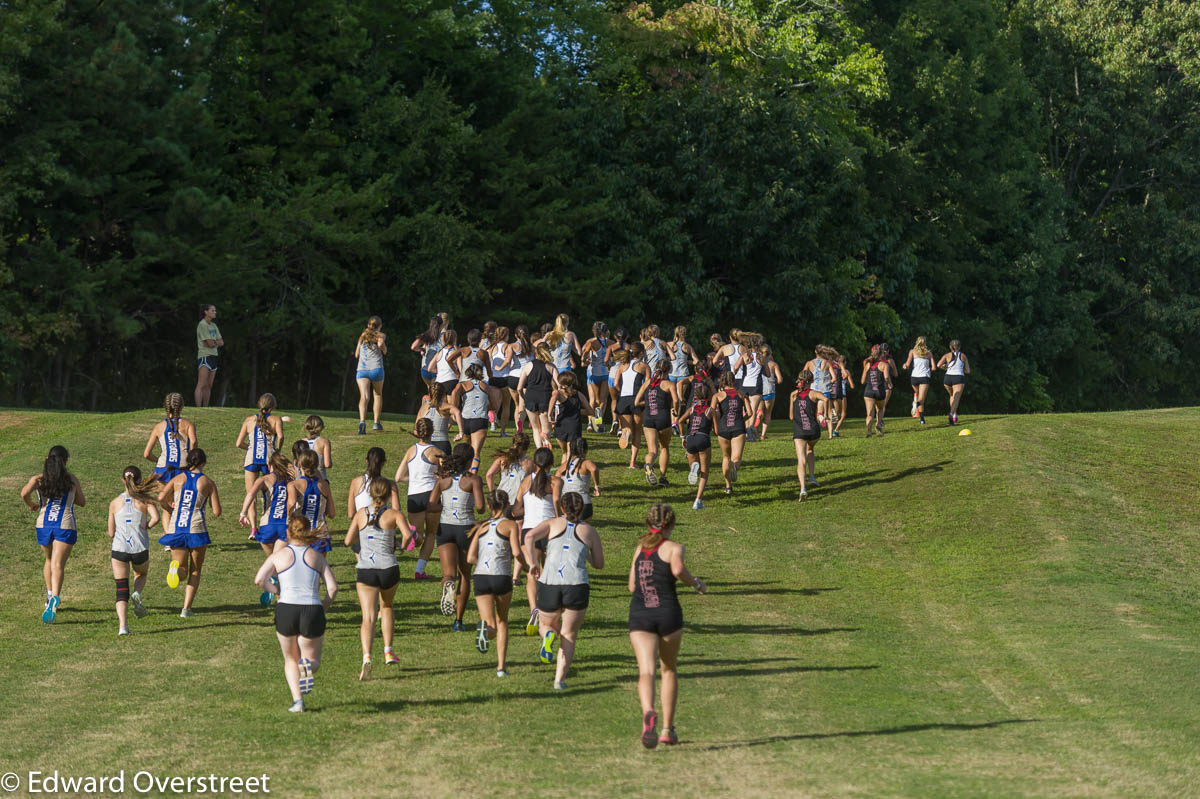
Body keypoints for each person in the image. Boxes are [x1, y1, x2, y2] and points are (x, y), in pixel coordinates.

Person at [628, 503, 706, 748]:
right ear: (671, 525)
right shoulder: (674, 548)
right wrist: (696, 583)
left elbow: (632, 586)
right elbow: (678, 569)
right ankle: (667, 729)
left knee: (646, 672)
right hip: (668, 613)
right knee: (669, 669)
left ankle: (648, 711)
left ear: (647, 524)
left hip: (641, 615)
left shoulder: (640, 548)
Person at [254, 514, 338, 713]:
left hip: (286, 608)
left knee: (290, 659)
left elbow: (259, 580)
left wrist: (277, 592)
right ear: (308, 531)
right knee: (311, 659)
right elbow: (333, 588)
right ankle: (308, 665)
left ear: (287, 533)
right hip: (312, 607)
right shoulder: (316, 556)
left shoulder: (279, 556)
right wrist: (324, 605)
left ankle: (298, 702)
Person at [523, 493, 604, 691]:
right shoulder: (590, 531)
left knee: (545, 624)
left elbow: (529, 535)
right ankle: (559, 680)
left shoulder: (552, 523)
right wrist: (584, 554)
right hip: (576, 585)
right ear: (582, 509)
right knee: (569, 634)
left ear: (562, 508)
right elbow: (600, 564)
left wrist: (533, 563)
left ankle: (548, 636)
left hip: (550, 582)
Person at [345, 478, 412, 679]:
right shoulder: (394, 514)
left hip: (366, 570)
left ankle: (367, 657)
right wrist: (399, 546)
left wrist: (363, 542)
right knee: (387, 607)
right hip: (389, 568)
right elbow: (409, 536)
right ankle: (388, 650)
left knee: (368, 617)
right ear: (389, 494)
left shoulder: (360, 513)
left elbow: (348, 540)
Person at [20, 445, 86, 623]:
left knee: (49, 561)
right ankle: (55, 597)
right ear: (65, 462)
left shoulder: (39, 479)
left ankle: (50, 596)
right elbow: (82, 502)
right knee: (58, 564)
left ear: (47, 459)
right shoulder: (71, 480)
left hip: (43, 525)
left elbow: (24, 493)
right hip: (64, 525)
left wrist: (32, 504)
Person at [466, 491, 526, 676]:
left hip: (481, 576)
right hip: (500, 576)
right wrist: (528, 565)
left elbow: (470, 558)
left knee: (489, 623)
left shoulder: (482, 527)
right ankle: (501, 667)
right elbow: (516, 552)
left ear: (490, 507)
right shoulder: (511, 525)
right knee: (502, 621)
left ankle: (485, 630)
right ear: (507, 505)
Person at [157, 448, 221, 617]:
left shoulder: (178, 478)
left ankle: (175, 570)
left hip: (176, 527)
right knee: (195, 570)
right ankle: (186, 609)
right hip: (196, 528)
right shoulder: (208, 482)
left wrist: (169, 507)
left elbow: (161, 498)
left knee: (182, 569)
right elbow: (217, 511)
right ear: (203, 463)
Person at [428, 443, 485, 630]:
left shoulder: (442, 479)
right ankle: (458, 621)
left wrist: (445, 508)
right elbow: (480, 507)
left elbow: (431, 505)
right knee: (465, 575)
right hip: (466, 529)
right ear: (469, 461)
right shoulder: (473, 480)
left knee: (449, 573)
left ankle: (448, 585)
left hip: (445, 528)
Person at [107, 466, 161, 635]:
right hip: (139, 548)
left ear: (123, 481)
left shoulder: (115, 503)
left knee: (121, 589)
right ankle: (137, 593)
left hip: (119, 550)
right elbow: (157, 518)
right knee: (141, 574)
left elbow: (111, 533)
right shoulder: (145, 501)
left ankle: (123, 627)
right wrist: (147, 526)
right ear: (139, 480)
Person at [512, 447, 560, 635]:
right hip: (549, 530)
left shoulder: (525, 482)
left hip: (528, 531)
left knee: (532, 573)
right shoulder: (555, 481)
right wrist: (559, 518)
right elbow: (556, 501)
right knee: (549, 572)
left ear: (535, 462)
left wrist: (527, 510)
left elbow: (516, 509)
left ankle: (534, 609)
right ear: (551, 463)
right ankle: (548, 610)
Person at [239, 452, 294, 604]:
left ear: (270, 466)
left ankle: (276, 591)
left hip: (267, 526)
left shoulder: (264, 479)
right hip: (285, 526)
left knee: (273, 562)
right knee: (280, 564)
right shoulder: (292, 481)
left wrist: (243, 513)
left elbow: (251, 494)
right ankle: (280, 597)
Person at [395, 420, 443, 580]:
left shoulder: (410, 451)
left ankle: (413, 535)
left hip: (414, 496)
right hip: (432, 495)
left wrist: (415, 477)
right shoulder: (438, 452)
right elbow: (444, 477)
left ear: (416, 432)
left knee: (419, 538)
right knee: (431, 534)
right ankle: (419, 571)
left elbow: (398, 477)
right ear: (432, 431)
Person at [235, 393, 284, 537]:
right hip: (269, 459)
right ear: (273, 406)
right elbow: (280, 436)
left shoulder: (249, 420)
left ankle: (253, 529)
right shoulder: (276, 419)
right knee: (270, 493)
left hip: (251, 460)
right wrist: (277, 451)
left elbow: (238, 443)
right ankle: (266, 523)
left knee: (252, 494)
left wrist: (250, 447)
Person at [634, 360, 679, 486]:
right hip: (663, 418)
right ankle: (663, 478)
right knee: (664, 447)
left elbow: (637, 402)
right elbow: (676, 400)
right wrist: (676, 410)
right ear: (668, 370)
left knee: (652, 451)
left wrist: (648, 403)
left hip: (648, 418)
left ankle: (648, 465)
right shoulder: (668, 384)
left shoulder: (648, 382)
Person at [452, 362, 501, 474]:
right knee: (475, 453)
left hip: (465, 420)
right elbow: (494, 406)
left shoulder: (462, 384)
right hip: (479, 421)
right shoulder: (485, 386)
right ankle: (472, 476)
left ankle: (463, 474)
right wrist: (484, 406)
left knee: (466, 450)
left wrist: (454, 409)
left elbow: (454, 392)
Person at [790, 370, 828, 500]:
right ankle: (812, 477)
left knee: (801, 460)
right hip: (813, 431)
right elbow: (826, 398)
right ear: (811, 381)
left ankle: (803, 489)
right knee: (810, 449)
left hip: (799, 431)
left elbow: (790, 417)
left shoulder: (793, 395)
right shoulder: (814, 394)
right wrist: (826, 415)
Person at [143, 393, 197, 484]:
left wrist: (158, 460)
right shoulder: (188, 425)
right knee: (180, 497)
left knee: (163, 497)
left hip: (163, 469)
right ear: (181, 406)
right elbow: (194, 441)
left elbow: (146, 454)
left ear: (165, 407)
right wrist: (192, 460)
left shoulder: (159, 427)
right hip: (183, 468)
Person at [711, 371, 750, 496]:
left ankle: (728, 486)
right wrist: (740, 421)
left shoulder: (717, 396)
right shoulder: (741, 394)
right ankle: (734, 466)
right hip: (738, 427)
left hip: (723, 428)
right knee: (736, 458)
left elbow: (712, 412)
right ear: (734, 381)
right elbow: (750, 413)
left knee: (725, 457)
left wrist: (715, 424)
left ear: (722, 381)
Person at [677, 383, 715, 510]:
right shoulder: (710, 410)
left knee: (695, 468)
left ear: (696, 396)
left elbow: (679, 421)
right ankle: (697, 501)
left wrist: (683, 436)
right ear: (708, 395)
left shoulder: (692, 408)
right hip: (703, 437)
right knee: (705, 472)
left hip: (690, 439)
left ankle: (694, 469)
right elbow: (717, 431)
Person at [289, 450, 335, 555]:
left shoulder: (294, 485)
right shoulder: (324, 486)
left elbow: (290, 507)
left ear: (299, 464)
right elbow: (332, 513)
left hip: (301, 533)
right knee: (319, 569)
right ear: (317, 465)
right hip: (320, 533)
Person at [612, 343, 649, 467]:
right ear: (641, 353)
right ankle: (632, 462)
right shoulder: (643, 366)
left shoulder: (622, 366)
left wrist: (622, 391)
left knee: (628, 427)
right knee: (638, 430)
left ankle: (625, 432)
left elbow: (616, 384)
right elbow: (648, 384)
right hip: (637, 399)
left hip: (623, 399)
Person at [516, 342, 557, 450]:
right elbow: (559, 384)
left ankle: (539, 450)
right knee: (546, 428)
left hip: (530, 397)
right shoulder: (551, 367)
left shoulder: (528, 366)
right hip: (545, 398)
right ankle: (545, 437)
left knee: (535, 428)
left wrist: (524, 398)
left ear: (536, 352)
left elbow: (519, 388)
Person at [548, 372, 594, 464]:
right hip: (574, 426)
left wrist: (549, 414)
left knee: (564, 453)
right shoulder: (579, 395)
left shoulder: (558, 393)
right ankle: (567, 471)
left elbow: (553, 397)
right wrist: (576, 410)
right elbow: (590, 411)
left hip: (561, 426)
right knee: (571, 452)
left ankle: (563, 472)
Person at [354, 316, 388, 434]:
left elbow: (356, 354)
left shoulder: (362, 336)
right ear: (379, 326)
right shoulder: (381, 335)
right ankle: (376, 423)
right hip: (376, 369)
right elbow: (382, 347)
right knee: (377, 394)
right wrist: (383, 349)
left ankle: (362, 422)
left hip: (362, 370)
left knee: (364, 396)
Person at [558, 437, 600, 521]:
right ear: (586, 450)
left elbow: (556, 479)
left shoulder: (564, 465)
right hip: (583, 504)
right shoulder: (586, 463)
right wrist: (597, 485)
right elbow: (594, 469)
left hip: (566, 505)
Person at [502, 325, 534, 433]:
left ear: (516, 335)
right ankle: (520, 427)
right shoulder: (532, 347)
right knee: (522, 406)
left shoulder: (512, 346)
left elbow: (507, 361)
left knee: (516, 405)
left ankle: (517, 427)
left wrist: (499, 368)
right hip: (526, 378)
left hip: (513, 377)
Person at [485, 431, 532, 503]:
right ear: (527, 447)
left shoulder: (502, 459)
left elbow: (489, 475)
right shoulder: (529, 463)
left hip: (500, 499)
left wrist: (493, 494)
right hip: (517, 501)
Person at [581, 322, 610, 432]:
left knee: (592, 399)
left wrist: (585, 359)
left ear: (594, 331)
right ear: (606, 331)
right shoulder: (610, 343)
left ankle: (589, 423)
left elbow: (583, 352)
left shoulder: (591, 342)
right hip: (605, 373)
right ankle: (597, 423)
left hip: (592, 373)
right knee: (602, 400)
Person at [665, 326, 699, 419]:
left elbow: (661, 355)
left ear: (675, 333)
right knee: (679, 399)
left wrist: (668, 359)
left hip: (671, 374)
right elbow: (696, 361)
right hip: (683, 375)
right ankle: (675, 422)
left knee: (673, 399)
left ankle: (672, 421)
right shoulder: (687, 346)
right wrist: (688, 361)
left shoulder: (669, 344)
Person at [418, 382, 459, 457]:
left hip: (427, 443)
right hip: (442, 443)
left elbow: (416, 427)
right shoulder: (445, 406)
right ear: (444, 394)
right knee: (446, 468)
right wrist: (461, 432)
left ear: (429, 394)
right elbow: (457, 412)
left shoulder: (424, 407)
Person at [194, 304, 223, 407]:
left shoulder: (213, 325)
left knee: (209, 385)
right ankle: (198, 408)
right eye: (212, 310)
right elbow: (209, 344)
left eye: (215, 310)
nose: (215, 312)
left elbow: (221, 342)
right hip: (205, 356)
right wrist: (213, 343)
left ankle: (205, 408)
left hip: (214, 356)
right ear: (206, 312)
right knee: (201, 384)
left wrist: (212, 343)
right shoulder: (202, 325)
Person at [903, 336, 936, 426]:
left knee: (920, 398)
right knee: (921, 399)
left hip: (914, 378)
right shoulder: (929, 354)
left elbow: (907, 364)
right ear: (925, 343)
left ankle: (922, 420)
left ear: (916, 342)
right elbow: (934, 368)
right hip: (924, 377)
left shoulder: (912, 352)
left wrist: (904, 366)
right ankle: (915, 405)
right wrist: (927, 368)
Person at [487, 326, 514, 435]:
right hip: (504, 378)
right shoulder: (508, 346)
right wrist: (501, 368)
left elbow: (487, 361)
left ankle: (491, 423)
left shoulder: (491, 347)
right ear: (506, 335)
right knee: (506, 405)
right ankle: (502, 431)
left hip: (493, 378)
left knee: (492, 404)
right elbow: (508, 361)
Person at [604, 327, 631, 433]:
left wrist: (609, 366)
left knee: (614, 400)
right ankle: (621, 427)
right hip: (624, 375)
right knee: (622, 401)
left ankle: (614, 420)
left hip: (612, 374)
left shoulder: (611, 347)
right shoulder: (628, 347)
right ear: (626, 336)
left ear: (615, 337)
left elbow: (606, 360)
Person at [412, 314, 447, 395]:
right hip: (436, 370)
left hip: (425, 370)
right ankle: (433, 407)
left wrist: (421, 349)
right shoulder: (444, 337)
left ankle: (430, 406)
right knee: (437, 394)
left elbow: (413, 347)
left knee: (431, 392)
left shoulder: (425, 335)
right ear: (441, 325)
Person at [861, 345, 892, 436]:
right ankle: (878, 425)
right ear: (880, 355)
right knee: (880, 409)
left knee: (869, 414)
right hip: (880, 391)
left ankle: (869, 431)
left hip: (868, 392)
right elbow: (886, 377)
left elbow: (862, 381)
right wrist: (889, 383)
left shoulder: (867, 365)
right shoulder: (884, 365)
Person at [938, 339, 970, 425]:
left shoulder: (947, 355)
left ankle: (955, 414)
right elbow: (968, 371)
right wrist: (960, 368)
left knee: (952, 395)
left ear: (950, 347)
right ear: (959, 347)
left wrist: (945, 367)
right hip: (958, 378)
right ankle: (951, 414)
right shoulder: (963, 356)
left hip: (947, 378)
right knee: (956, 398)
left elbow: (938, 365)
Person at [757, 346, 784, 441]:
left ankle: (756, 427)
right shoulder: (774, 364)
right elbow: (780, 380)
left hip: (759, 390)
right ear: (770, 354)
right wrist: (774, 381)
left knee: (759, 410)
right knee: (768, 413)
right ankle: (763, 435)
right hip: (770, 391)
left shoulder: (757, 362)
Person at [299, 415, 332, 481]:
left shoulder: (301, 442)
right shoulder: (325, 442)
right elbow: (327, 464)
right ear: (321, 427)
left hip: (304, 479)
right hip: (320, 478)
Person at [433, 329, 462, 399]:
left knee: (440, 408)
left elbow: (430, 368)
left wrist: (441, 371)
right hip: (451, 381)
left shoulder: (439, 353)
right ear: (455, 339)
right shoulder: (456, 353)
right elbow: (461, 370)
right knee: (452, 408)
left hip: (438, 382)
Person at [833, 353, 854, 438]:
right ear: (844, 362)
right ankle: (835, 431)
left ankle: (831, 426)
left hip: (833, 392)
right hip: (842, 394)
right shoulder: (846, 372)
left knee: (836, 413)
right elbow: (852, 386)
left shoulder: (834, 370)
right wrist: (846, 381)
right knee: (843, 414)